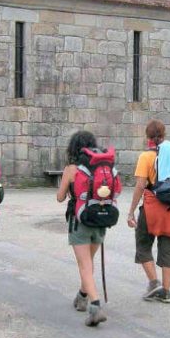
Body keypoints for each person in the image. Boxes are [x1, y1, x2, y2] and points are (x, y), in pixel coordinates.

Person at [126, 119, 170, 304]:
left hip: (152, 207)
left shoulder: (146, 157)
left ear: (148, 137)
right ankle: (166, 292)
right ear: (164, 135)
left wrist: (131, 211)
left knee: (143, 244)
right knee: (168, 249)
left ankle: (154, 283)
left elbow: (140, 186)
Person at [56, 130, 108, 327]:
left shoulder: (71, 169)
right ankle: (82, 295)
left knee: (84, 264)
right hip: (101, 219)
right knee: (89, 262)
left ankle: (94, 306)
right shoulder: (101, 166)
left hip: (80, 222)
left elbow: (60, 197)